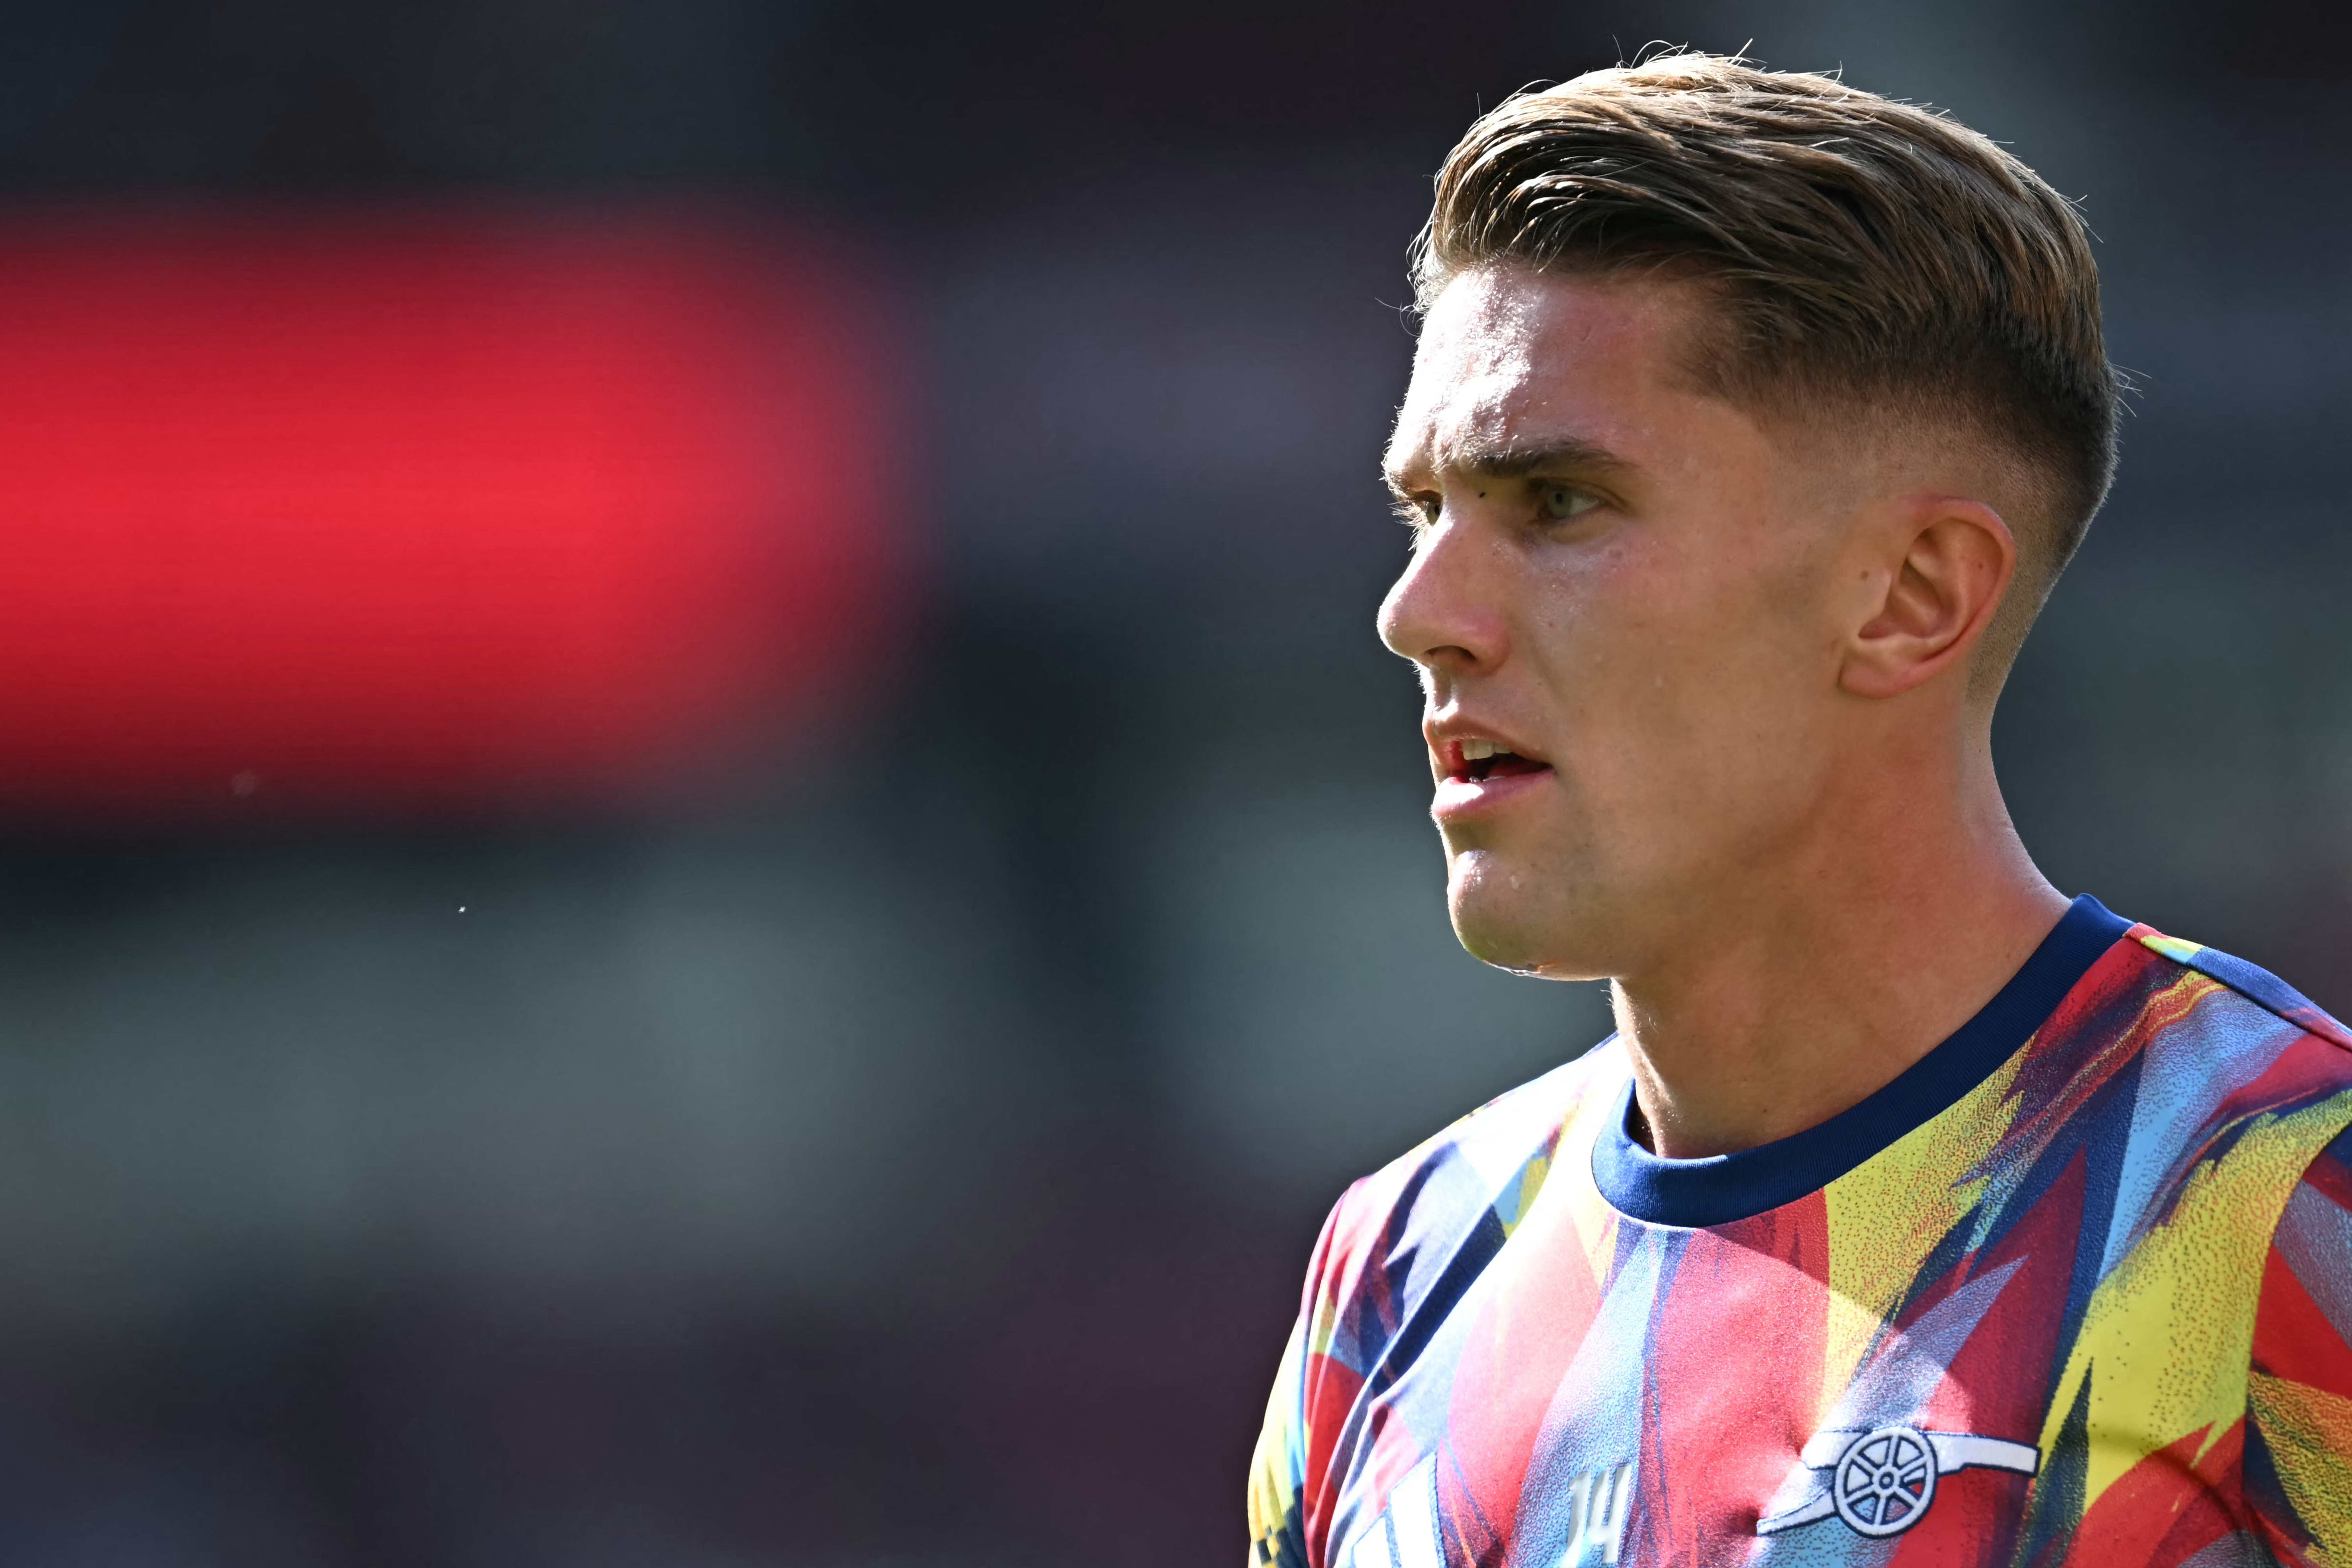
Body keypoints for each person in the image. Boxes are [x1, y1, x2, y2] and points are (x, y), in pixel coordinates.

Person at [1244, 52, 2352, 1568]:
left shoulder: (2280, 1193)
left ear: (1908, 597)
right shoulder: (1397, 1270)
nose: (1416, 612)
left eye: (1557, 504)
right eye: (1425, 512)